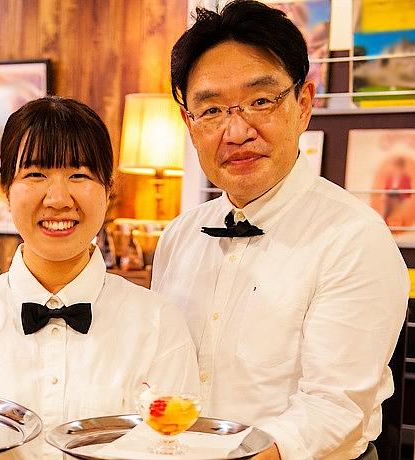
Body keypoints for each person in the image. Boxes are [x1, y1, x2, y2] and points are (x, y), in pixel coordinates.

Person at [151, 1, 409, 459]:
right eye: (211, 110)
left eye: (260, 102)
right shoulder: (178, 237)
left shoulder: (354, 238)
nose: (236, 131)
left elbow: (333, 408)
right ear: (190, 125)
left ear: (303, 105)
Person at [0, 96, 200, 459]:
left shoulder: (158, 323)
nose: (58, 199)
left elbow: (179, 450)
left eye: (79, 175)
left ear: (109, 188)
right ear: (6, 189)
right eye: (35, 174)